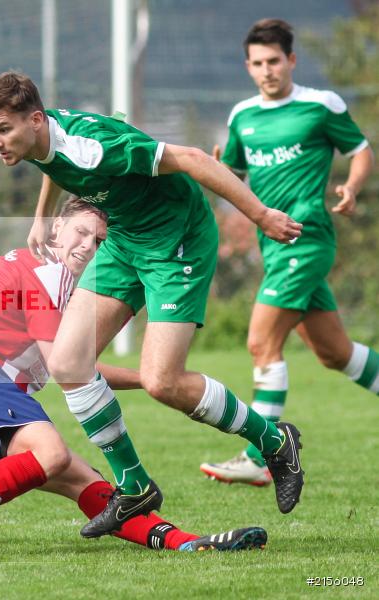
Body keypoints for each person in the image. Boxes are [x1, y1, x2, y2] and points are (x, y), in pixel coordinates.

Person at [0, 71, 305, 539]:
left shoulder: (92, 146)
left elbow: (190, 159)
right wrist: (43, 214)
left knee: (162, 381)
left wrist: (261, 215)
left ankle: (275, 440)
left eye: (3, 131)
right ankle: (135, 486)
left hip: (176, 239)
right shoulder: (40, 138)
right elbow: (51, 162)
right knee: (68, 362)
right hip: (125, 238)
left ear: (36, 120)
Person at [0, 197, 267, 558]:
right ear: (56, 226)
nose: (88, 245)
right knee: (52, 453)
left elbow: (74, 365)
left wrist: (154, 377)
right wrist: (155, 378)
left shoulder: (39, 269)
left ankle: (184, 543)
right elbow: (65, 366)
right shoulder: (46, 269)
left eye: (99, 240)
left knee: (81, 479)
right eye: (81, 232)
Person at [201, 19, 375, 485]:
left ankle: (261, 457)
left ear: (291, 61)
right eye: (257, 64)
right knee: (335, 353)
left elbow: (360, 150)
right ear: (248, 67)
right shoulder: (242, 117)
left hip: (308, 237)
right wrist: (219, 171)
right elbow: (233, 179)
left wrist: (353, 187)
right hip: (272, 248)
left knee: (261, 342)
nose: (266, 71)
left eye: (274, 61)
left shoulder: (320, 106)